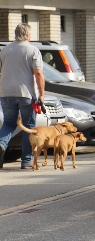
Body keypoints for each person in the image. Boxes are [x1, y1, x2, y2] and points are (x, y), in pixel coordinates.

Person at [0, 23, 45, 169]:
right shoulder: (32, 50)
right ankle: (26, 161)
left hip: (6, 92)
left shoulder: (5, 50)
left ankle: (1, 144)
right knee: (28, 126)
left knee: (8, 123)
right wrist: (42, 94)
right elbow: (38, 73)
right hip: (25, 93)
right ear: (27, 35)